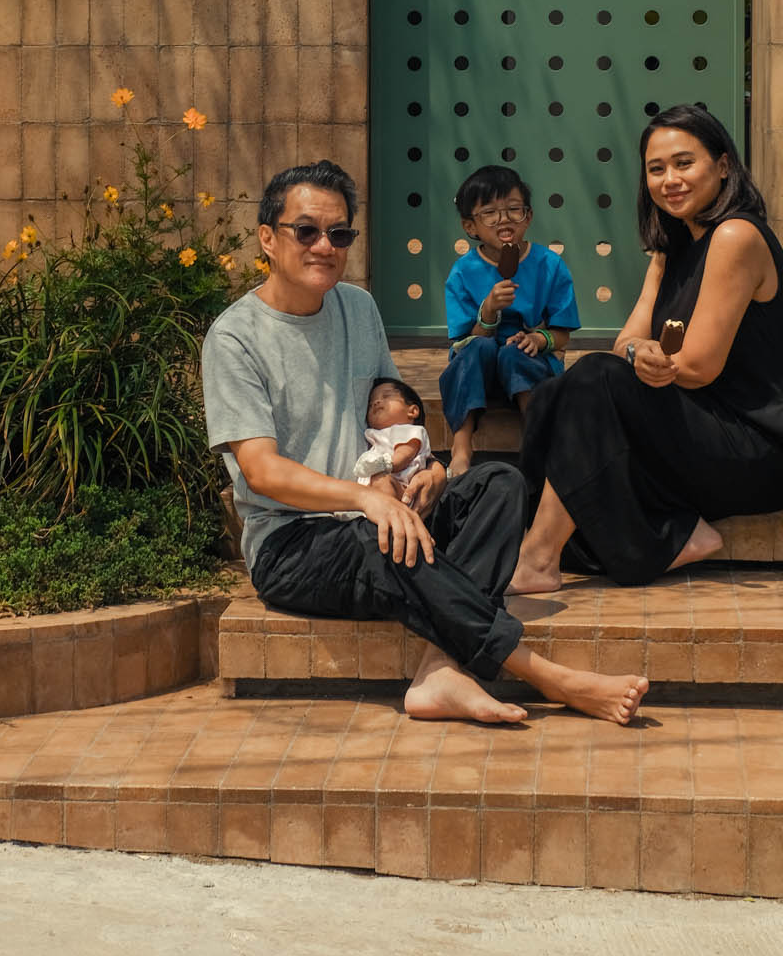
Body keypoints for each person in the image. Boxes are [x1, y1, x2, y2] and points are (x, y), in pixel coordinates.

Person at [201, 159, 648, 726]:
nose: (324, 246)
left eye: (339, 234)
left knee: (499, 485)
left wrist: (428, 470)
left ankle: (441, 671)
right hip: (294, 542)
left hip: (382, 510)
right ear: (268, 237)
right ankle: (548, 676)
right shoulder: (235, 337)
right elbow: (261, 472)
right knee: (383, 541)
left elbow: (392, 417)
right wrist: (364, 498)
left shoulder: (358, 307)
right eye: (306, 231)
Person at [510, 105, 783, 593]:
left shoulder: (736, 236)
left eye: (684, 163)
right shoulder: (672, 247)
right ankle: (674, 535)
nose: (669, 179)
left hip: (761, 451)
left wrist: (639, 359)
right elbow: (626, 341)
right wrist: (638, 354)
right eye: (657, 169)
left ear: (723, 166)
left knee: (593, 379)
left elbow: (696, 367)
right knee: (553, 394)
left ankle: (540, 558)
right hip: (701, 429)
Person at [438, 164, 580, 478]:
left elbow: (563, 334)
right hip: (482, 365)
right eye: (489, 212)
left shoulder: (549, 265)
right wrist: (488, 311)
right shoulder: (463, 272)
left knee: (516, 352)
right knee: (477, 349)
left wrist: (539, 339)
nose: (504, 219)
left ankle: (535, 440)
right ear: (470, 226)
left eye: (513, 209)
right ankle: (461, 450)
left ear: (528, 217)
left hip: (529, 363)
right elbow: (463, 340)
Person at [351, 377, 432, 499]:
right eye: (370, 403)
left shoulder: (408, 430)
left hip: (402, 487)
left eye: (386, 396)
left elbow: (404, 455)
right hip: (372, 493)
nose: (376, 402)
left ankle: (387, 515)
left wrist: (385, 464)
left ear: (412, 411)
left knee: (381, 481)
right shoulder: (375, 435)